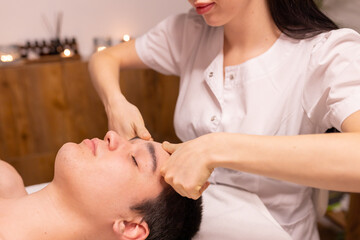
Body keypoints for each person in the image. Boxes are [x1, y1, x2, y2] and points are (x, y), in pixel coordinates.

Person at [88, 0, 360, 239]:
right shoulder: (188, 32)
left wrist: (214, 148)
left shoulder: (326, 54)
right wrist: (115, 102)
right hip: (202, 225)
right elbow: (104, 58)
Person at [0, 131, 202, 240]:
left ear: (130, 227)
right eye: (130, 141)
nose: (111, 135)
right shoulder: (6, 178)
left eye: (134, 159)